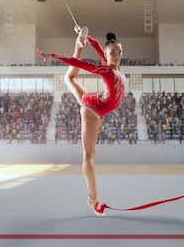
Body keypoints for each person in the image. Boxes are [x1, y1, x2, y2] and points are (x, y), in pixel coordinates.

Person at [35, 25, 126, 217]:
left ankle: (79, 44)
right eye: (112, 53)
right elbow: (84, 65)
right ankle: (94, 199)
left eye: (118, 52)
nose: (115, 56)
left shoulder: (116, 68)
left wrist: (82, 34)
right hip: (93, 109)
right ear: (108, 56)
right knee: (88, 156)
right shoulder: (107, 71)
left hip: (95, 102)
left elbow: (99, 46)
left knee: (69, 78)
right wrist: (53, 56)